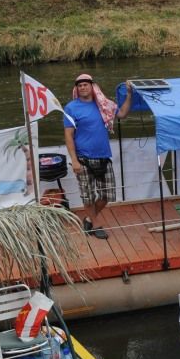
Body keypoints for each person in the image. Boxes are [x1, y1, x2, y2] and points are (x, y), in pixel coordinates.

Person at [64, 73, 133, 239]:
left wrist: (130, 94)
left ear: (92, 86)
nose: (83, 88)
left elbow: (122, 114)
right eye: (79, 86)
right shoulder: (71, 108)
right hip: (83, 160)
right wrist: (74, 160)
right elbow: (68, 136)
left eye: (85, 84)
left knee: (107, 195)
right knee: (87, 196)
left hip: (103, 156)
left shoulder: (103, 104)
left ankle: (88, 218)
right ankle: (95, 224)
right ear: (76, 89)